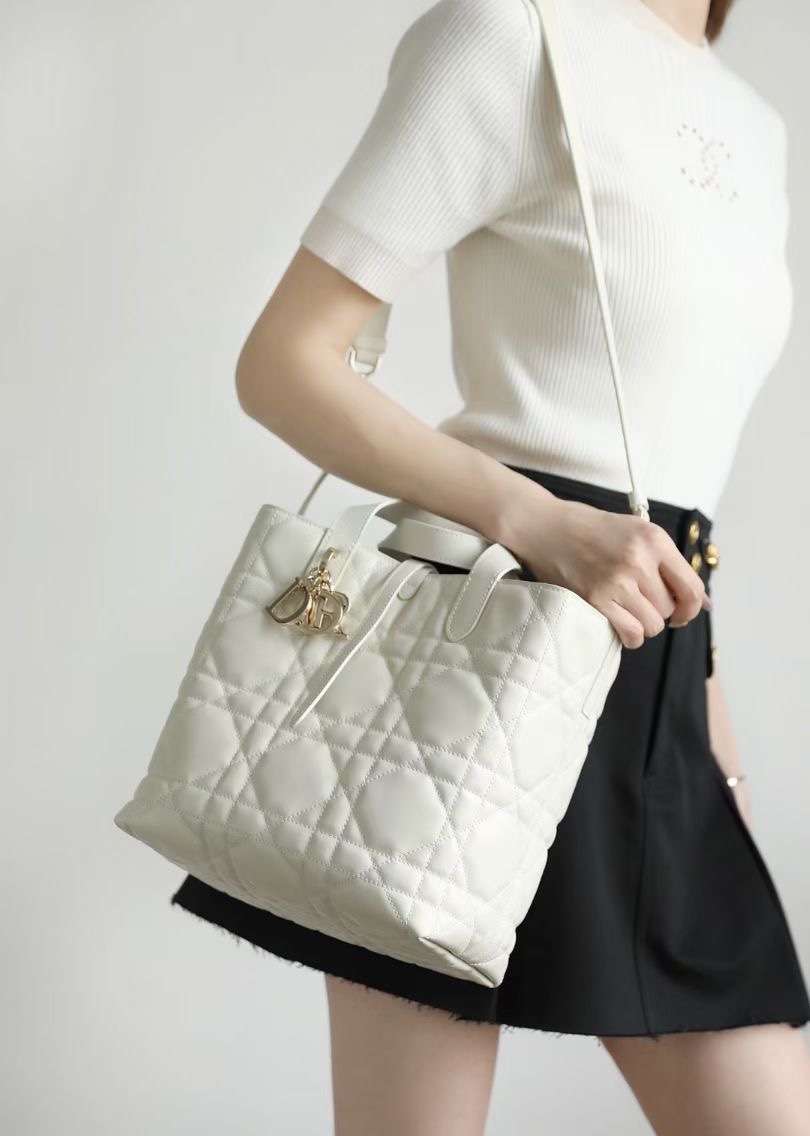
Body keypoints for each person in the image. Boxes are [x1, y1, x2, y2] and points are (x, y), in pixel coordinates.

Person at [171, 0, 810, 1130]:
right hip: (481, 660)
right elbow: (283, 361)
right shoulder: (515, 33)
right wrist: (542, 524)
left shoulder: (756, 128)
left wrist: (718, 762)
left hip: (657, 683)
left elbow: (677, 478)